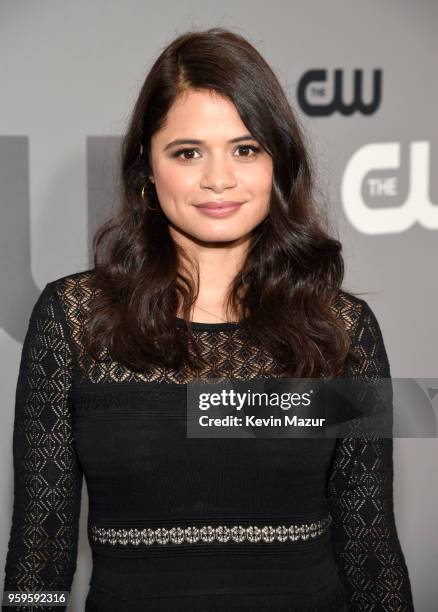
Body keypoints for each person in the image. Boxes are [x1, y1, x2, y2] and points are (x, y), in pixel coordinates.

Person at [2, 27, 414, 612]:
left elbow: (370, 549)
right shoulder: (76, 322)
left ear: (278, 163)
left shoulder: (342, 329)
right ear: (147, 167)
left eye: (245, 149)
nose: (218, 179)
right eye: (188, 151)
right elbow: (40, 548)